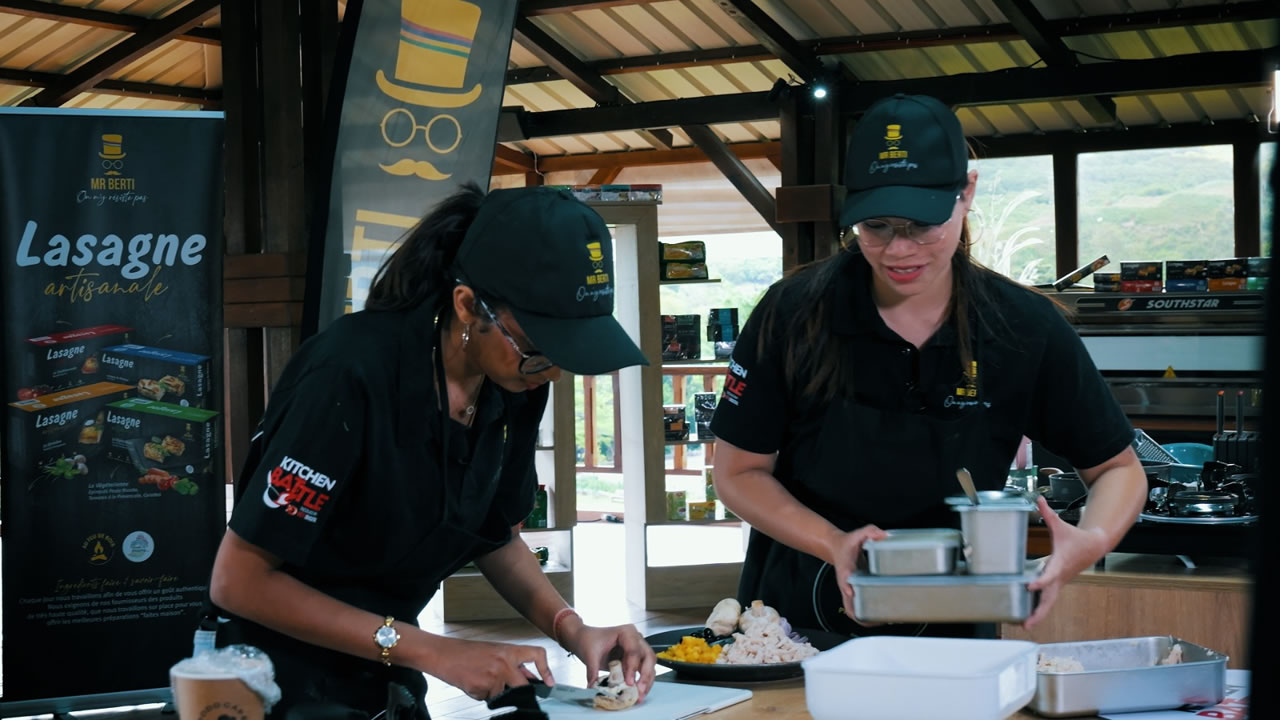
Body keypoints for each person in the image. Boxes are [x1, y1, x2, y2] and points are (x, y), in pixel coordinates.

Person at [208, 185, 657, 719]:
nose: (552, 372)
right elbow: (238, 582)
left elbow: (494, 535)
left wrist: (574, 629)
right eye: (539, 347)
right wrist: (438, 652)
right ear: (467, 305)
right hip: (271, 676)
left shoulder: (516, 383)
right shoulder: (350, 372)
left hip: (388, 666)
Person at [710, 93, 1147, 637]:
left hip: (954, 620)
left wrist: (1092, 540)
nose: (899, 250)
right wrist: (834, 542)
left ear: (967, 193)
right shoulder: (793, 312)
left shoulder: (1022, 326)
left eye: (922, 225)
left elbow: (1117, 469)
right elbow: (738, 472)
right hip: (798, 621)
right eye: (876, 226)